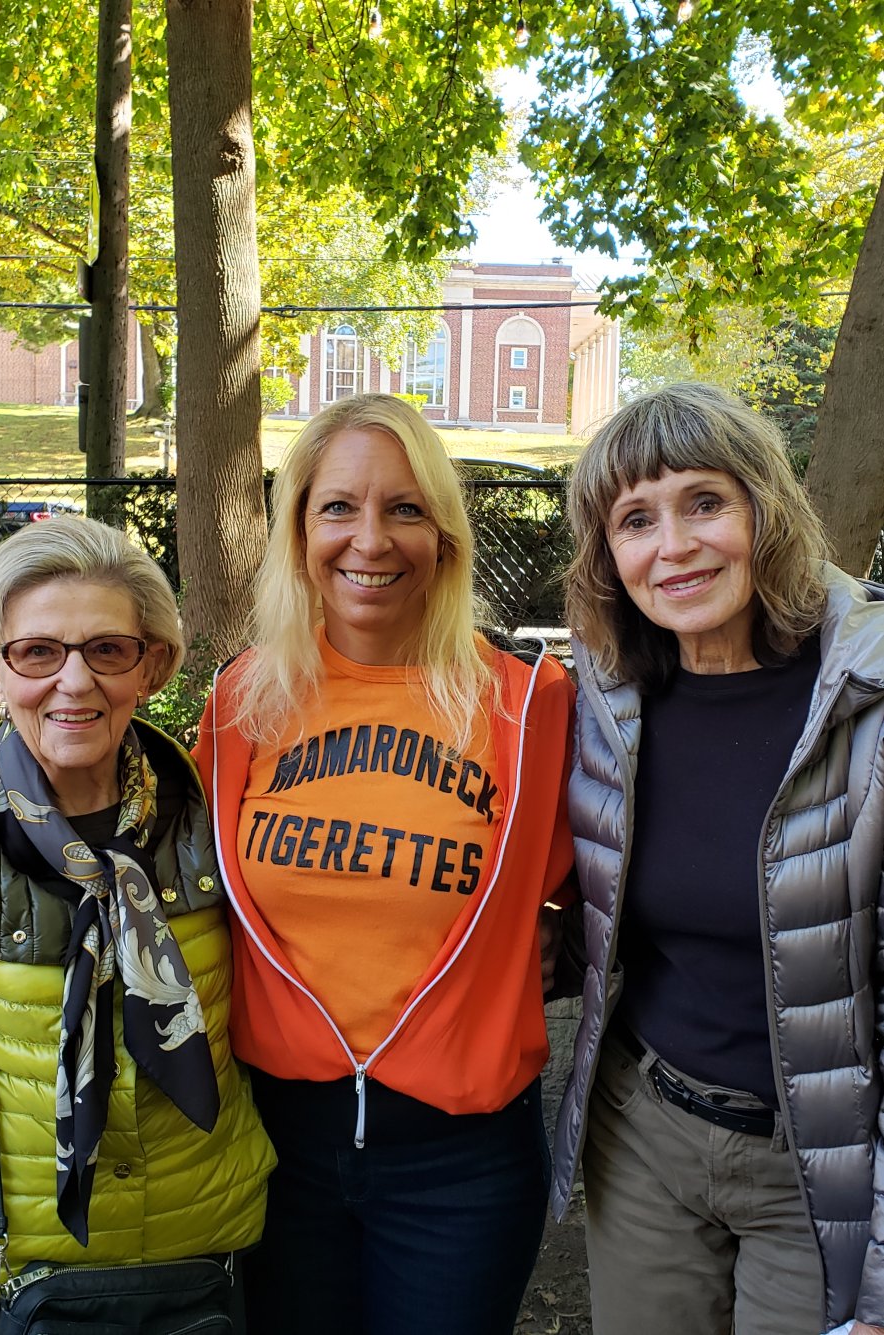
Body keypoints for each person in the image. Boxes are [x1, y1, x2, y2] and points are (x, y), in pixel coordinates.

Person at [193, 392, 575, 1335]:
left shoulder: (529, 703)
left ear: (442, 536)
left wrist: (550, 939)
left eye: (405, 508)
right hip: (276, 1143)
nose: (370, 539)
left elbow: (612, 883)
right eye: (338, 506)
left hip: (463, 1162)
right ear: (298, 530)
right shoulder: (243, 700)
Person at [0, 517, 275, 1335]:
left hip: (202, 1258)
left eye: (106, 649)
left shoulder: (220, 822)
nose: (74, 681)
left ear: (151, 665)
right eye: (37, 652)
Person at [552, 380, 884, 1335]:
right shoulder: (605, 705)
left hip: (819, 1169)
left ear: (764, 511)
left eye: (704, 502)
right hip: (645, 1132)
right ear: (608, 553)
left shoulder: (861, 703)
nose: (674, 545)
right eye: (635, 519)